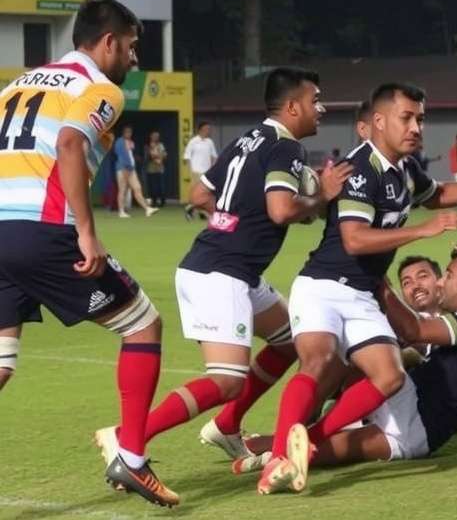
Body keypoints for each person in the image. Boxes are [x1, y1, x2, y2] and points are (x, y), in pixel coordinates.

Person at [256, 82, 457, 495]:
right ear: (379, 122)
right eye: (407, 117)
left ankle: (304, 445)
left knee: (390, 378)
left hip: (363, 291)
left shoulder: (403, 169)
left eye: (420, 118)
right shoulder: (360, 168)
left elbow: (437, 194)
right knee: (318, 364)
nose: (417, 127)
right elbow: (354, 239)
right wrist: (424, 230)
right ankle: (281, 454)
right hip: (324, 285)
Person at [95, 68, 353, 465]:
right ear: (292, 106)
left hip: (225, 267)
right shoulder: (285, 148)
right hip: (222, 274)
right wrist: (322, 198)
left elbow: (200, 194)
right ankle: (127, 435)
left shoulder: (247, 139)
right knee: (226, 380)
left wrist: (230, 221)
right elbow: (281, 210)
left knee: (289, 341)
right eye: (315, 100)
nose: (320, 108)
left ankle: (226, 426)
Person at [0, 0, 177, 506]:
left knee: (1, 360)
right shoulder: (97, 88)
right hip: (43, 230)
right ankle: (133, 459)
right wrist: (85, 231)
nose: (135, 60)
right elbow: (71, 143)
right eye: (132, 47)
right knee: (143, 325)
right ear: (108, 43)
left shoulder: (18, 83)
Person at [232, 238, 457, 474]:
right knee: (359, 356)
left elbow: (415, 331)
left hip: (414, 424)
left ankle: (269, 447)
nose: (441, 281)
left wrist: (377, 280)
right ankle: (269, 443)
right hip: (413, 412)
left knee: (317, 452)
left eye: (448, 275)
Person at [396, 255, 457, 430]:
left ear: (440, 281)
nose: (415, 286)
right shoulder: (395, 325)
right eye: (406, 283)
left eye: (422, 276)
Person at [114, 126, 159, 218]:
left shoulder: (130, 142)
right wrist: (125, 169)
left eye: (130, 132)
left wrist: (131, 166)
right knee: (123, 190)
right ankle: (121, 211)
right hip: (123, 168)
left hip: (131, 168)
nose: (129, 134)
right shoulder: (119, 142)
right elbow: (121, 155)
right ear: (123, 133)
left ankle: (147, 209)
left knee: (137, 188)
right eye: (127, 132)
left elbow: (130, 155)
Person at [183, 122, 217, 220]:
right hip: (196, 171)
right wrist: (191, 171)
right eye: (206, 129)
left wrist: (213, 169)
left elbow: (213, 156)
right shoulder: (193, 141)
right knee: (197, 194)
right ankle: (193, 210)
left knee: (206, 194)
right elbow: (187, 156)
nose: (208, 131)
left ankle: (194, 210)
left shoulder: (210, 142)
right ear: (200, 130)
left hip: (207, 172)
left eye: (209, 129)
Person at [145, 130, 167, 207]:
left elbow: (164, 155)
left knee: (161, 186)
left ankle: (162, 201)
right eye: (154, 136)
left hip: (160, 169)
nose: (156, 137)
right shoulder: (148, 146)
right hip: (151, 169)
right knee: (153, 186)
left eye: (157, 136)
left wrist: (160, 157)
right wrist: (155, 156)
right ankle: (153, 201)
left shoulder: (161, 145)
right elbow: (148, 156)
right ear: (151, 136)